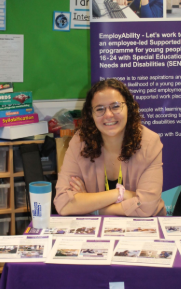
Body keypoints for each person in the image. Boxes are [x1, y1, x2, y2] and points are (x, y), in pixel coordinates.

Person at [54, 79, 166, 217]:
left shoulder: (149, 143)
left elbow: (147, 207)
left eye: (116, 106)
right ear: (91, 114)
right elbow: (63, 204)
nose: (108, 115)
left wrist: (91, 205)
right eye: (100, 109)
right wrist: (120, 194)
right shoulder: (80, 143)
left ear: (129, 108)